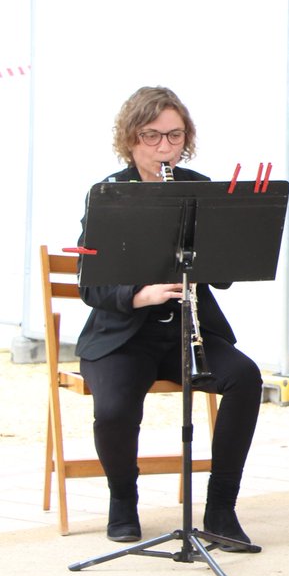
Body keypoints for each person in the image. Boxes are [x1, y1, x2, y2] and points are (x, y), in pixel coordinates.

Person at [76, 86, 264, 550]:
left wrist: (222, 248)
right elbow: (90, 284)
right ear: (130, 139)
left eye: (174, 137)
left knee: (245, 378)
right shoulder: (110, 194)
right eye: (152, 137)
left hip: (188, 332)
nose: (164, 148)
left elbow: (223, 277)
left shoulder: (198, 187)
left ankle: (221, 507)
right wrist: (139, 294)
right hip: (123, 335)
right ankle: (123, 499)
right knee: (115, 409)